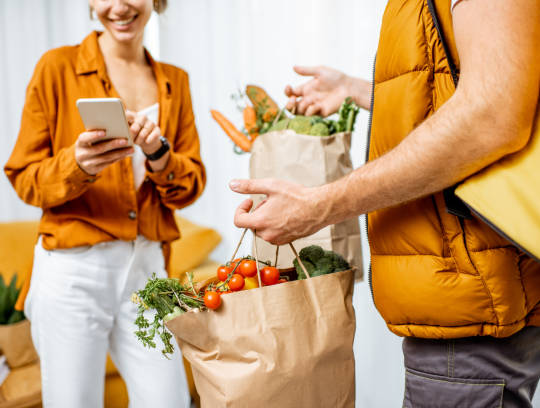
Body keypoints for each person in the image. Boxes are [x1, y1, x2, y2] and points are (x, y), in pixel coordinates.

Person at [230, 0, 540, 406]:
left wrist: (319, 206)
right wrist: (357, 90)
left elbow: (491, 116)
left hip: (471, 300)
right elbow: (458, 89)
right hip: (462, 295)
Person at [4, 0, 205, 407]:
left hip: (148, 269)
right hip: (74, 272)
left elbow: (191, 186)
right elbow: (24, 177)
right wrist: (75, 164)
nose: (119, 6)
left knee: (169, 401)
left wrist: (159, 155)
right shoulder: (56, 68)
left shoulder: (175, 82)